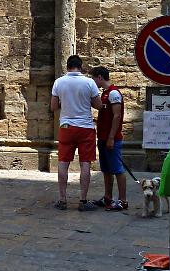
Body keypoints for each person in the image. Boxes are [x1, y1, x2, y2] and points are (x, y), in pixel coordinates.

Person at [51, 55, 102, 211]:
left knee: (63, 163)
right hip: (85, 127)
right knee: (85, 163)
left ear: (67, 67)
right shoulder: (89, 82)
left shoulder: (59, 82)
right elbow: (98, 105)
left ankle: (62, 199)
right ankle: (83, 200)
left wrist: (64, 101)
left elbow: (53, 107)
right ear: (81, 67)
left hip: (66, 126)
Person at [90, 66, 128, 211]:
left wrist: (112, 137)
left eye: (94, 78)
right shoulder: (105, 93)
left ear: (100, 77)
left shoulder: (113, 93)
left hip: (112, 138)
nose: (93, 82)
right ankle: (108, 197)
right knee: (106, 169)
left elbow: (117, 116)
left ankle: (123, 200)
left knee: (118, 169)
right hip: (103, 138)